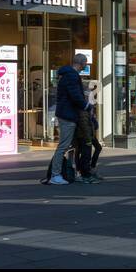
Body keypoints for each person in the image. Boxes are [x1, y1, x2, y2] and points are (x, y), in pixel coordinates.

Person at [47, 52, 89, 186]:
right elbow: (75, 95)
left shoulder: (68, 74)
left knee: (71, 145)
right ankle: (55, 175)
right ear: (80, 63)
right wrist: (86, 105)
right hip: (68, 115)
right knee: (64, 146)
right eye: (85, 63)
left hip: (68, 114)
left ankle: (70, 172)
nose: (86, 66)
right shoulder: (71, 75)